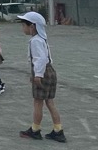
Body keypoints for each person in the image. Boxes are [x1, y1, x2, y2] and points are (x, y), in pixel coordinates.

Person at [17, 12, 65, 142]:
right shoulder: (42, 39)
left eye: (24, 25)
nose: (23, 28)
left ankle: (35, 129)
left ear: (32, 26)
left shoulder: (35, 41)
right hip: (49, 71)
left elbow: (40, 59)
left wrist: (37, 75)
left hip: (42, 72)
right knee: (49, 101)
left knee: (38, 102)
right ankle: (58, 129)